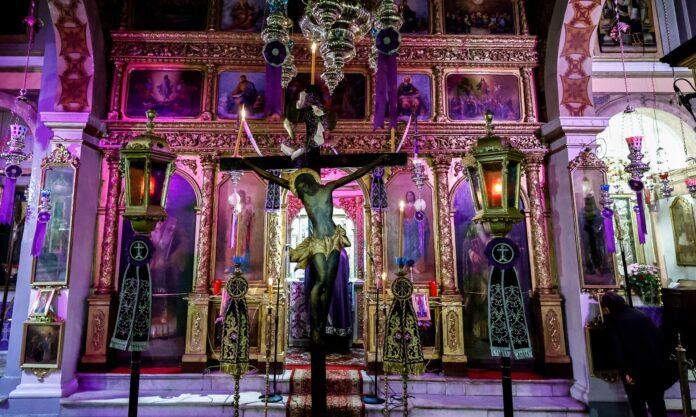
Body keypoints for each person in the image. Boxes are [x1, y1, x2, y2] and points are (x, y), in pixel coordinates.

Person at [601, 291, 670, 417]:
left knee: (638, 405)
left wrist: (626, 372)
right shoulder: (640, 314)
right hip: (654, 368)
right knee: (657, 404)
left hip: (634, 371)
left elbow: (619, 349)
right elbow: (658, 340)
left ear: (608, 307)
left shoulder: (615, 321)